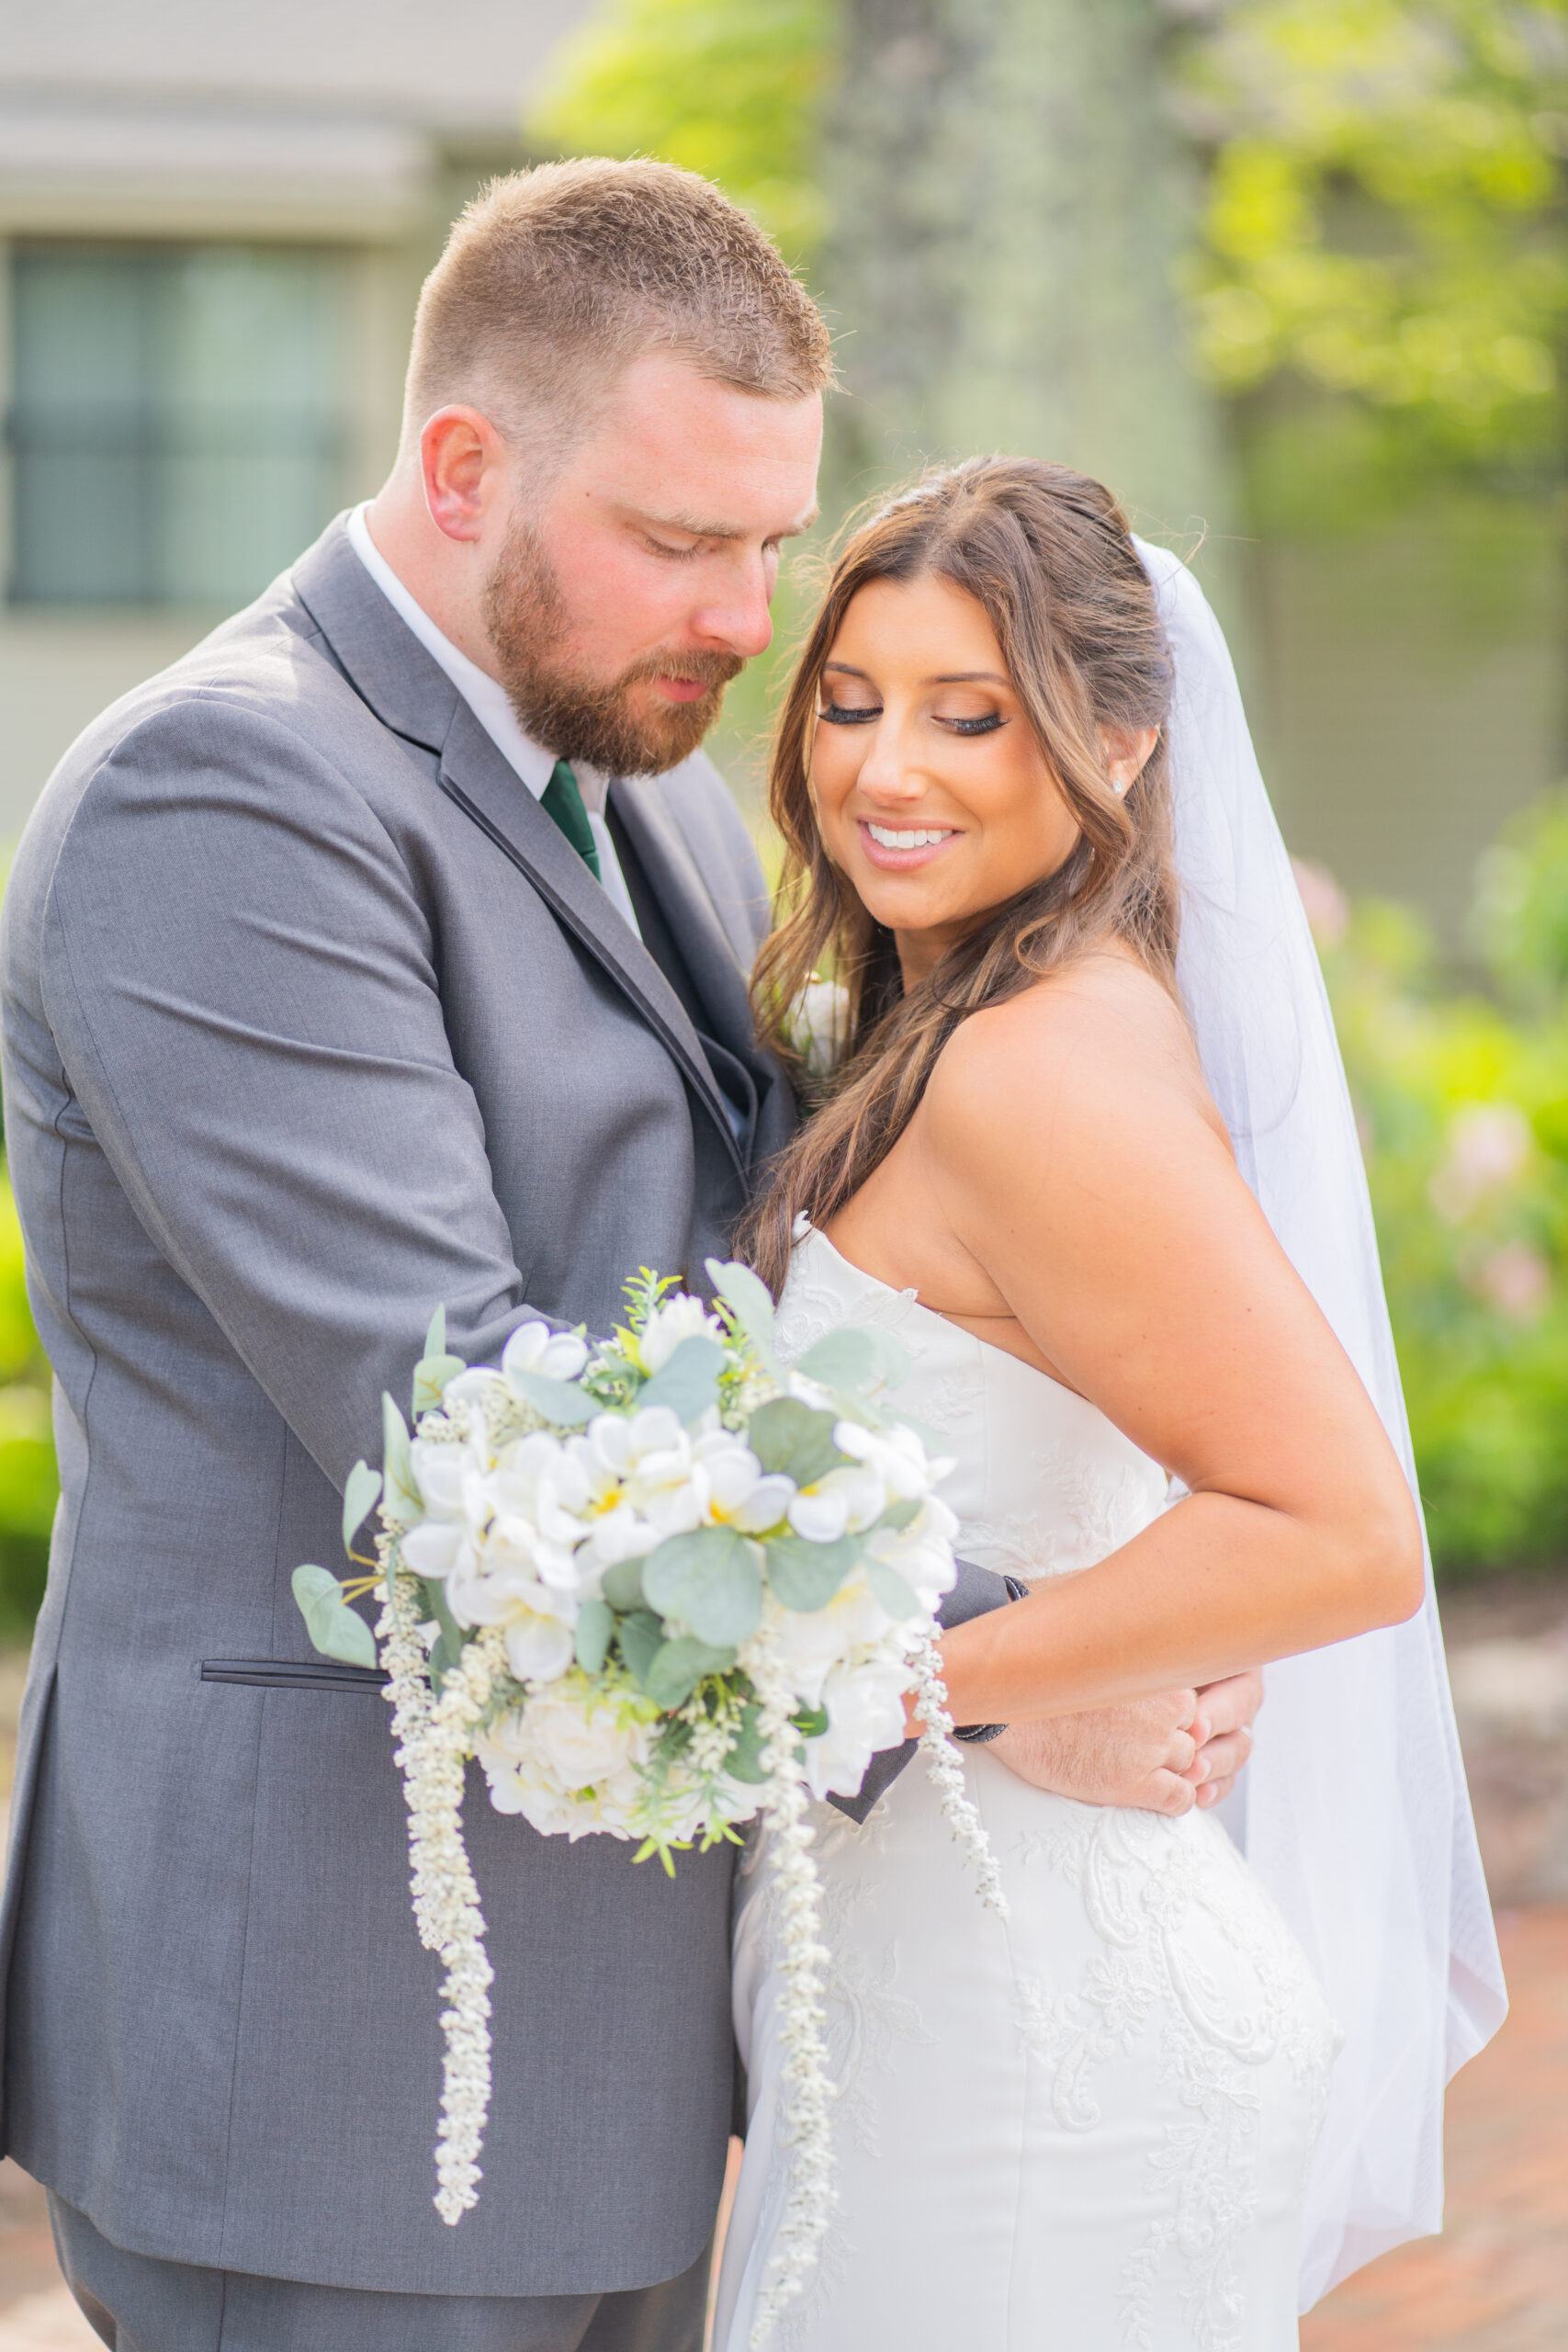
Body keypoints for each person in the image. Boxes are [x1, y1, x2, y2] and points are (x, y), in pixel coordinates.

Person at [0, 168, 1257, 2352]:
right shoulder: (223, 796)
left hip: (636, 2019)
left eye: (769, 540)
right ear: (462, 467)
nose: (746, 615)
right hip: (340, 2038)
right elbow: (477, 1419)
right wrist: (1010, 1669)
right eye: (681, 539)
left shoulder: (637, 760)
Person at [715, 459, 1506, 2350]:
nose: (882, 768)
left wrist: (925, 1684)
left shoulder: (1033, 1068)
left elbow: (1337, 1530)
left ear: (1122, 741)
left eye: (965, 715)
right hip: (940, 1983)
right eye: (850, 702)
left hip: (1031, 2046)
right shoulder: (968, 1020)